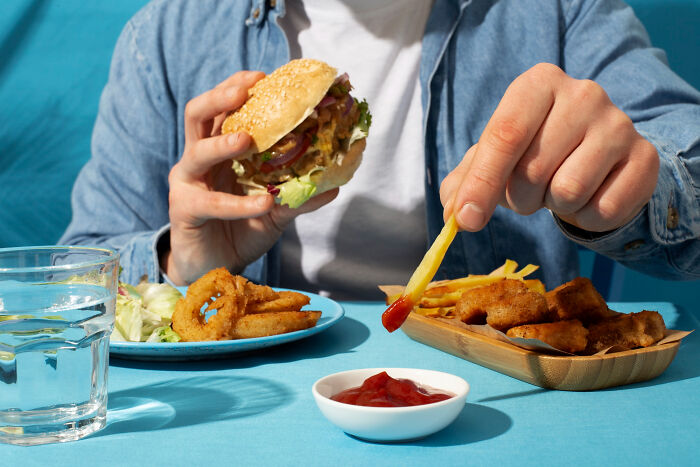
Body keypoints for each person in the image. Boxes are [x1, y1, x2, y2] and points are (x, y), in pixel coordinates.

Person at [60, 0, 700, 300]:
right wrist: (184, 262)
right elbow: (74, 272)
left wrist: (632, 185)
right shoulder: (168, 33)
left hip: (501, 390)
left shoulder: (560, 10)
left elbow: (683, 153)